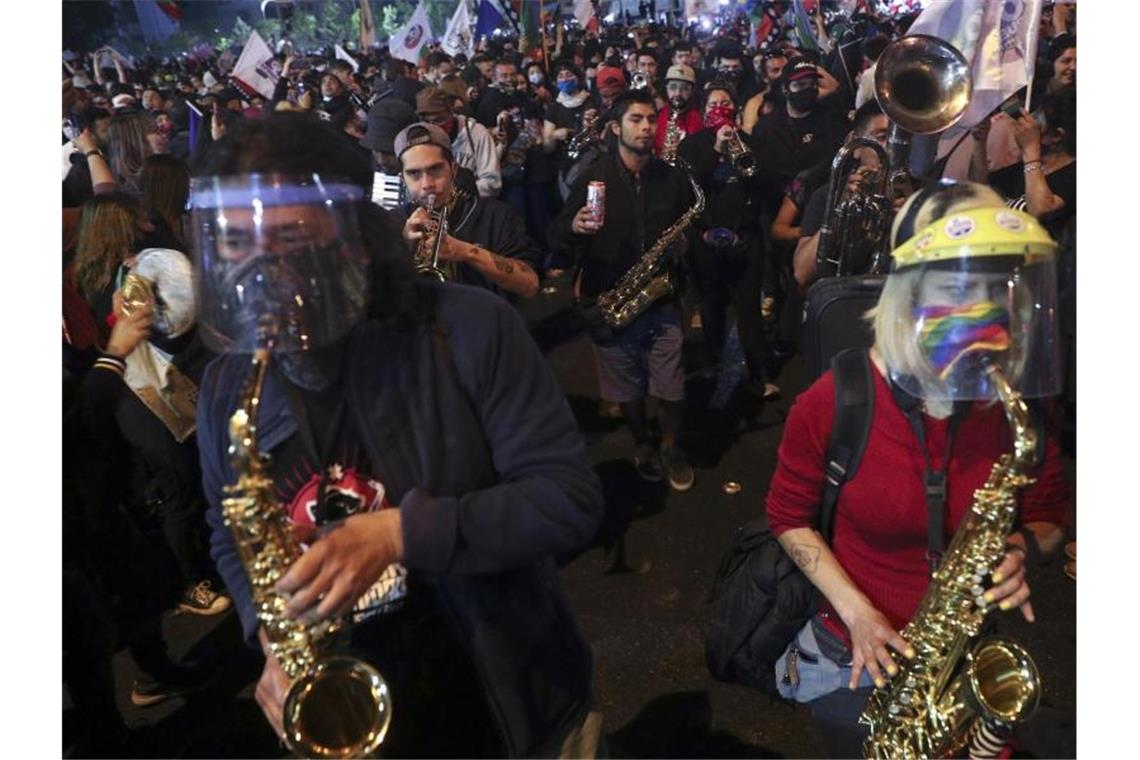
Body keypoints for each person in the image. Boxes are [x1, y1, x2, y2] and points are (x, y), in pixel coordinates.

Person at [193, 112, 604, 758]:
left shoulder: (468, 329)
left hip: (513, 708)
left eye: (289, 240)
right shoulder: (225, 390)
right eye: (237, 244)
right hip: (360, 720)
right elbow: (227, 529)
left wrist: (401, 534)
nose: (258, 274)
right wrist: (266, 630)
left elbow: (568, 500)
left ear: (354, 239)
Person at [765, 181, 1069, 758]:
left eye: (998, 287)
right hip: (850, 655)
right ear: (911, 295)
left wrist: (1024, 549)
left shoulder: (1014, 410)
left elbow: (1052, 514)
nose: (986, 312)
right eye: (959, 286)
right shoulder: (836, 400)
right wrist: (858, 613)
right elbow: (786, 515)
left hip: (963, 653)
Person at [549, 89, 697, 492]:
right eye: (636, 120)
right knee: (625, 387)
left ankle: (670, 446)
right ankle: (642, 442)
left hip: (660, 298)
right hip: (609, 299)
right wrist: (573, 229)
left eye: (652, 119)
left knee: (671, 384)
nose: (647, 127)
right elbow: (558, 237)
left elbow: (689, 227)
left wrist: (687, 247)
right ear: (615, 128)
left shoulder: (672, 178)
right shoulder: (592, 178)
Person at [677, 82, 775, 398]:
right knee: (711, 306)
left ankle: (758, 372)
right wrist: (717, 149)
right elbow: (690, 186)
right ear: (704, 110)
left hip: (745, 239)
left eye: (726, 102)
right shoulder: (691, 146)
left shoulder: (749, 143)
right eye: (714, 103)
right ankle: (714, 361)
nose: (720, 108)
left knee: (748, 309)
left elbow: (764, 187)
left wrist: (741, 154)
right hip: (706, 239)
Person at [395, 122, 540, 299]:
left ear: (453, 170)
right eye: (414, 174)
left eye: (435, 169)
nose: (427, 185)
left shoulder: (496, 215)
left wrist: (466, 252)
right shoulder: (392, 222)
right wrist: (402, 247)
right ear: (403, 179)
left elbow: (530, 285)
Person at [416, 86, 501, 198]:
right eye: (428, 121)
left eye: (439, 120)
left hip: (471, 203)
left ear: (451, 112)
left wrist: (454, 195)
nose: (434, 127)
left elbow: (492, 181)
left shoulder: (477, 133)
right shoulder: (419, 136)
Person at [653, 64, 702, 158]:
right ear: (666, 89)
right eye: (673, 87)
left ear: (692, 91)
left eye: (685, 89)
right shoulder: (655, 116)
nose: (678, 93)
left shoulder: (700, 118)